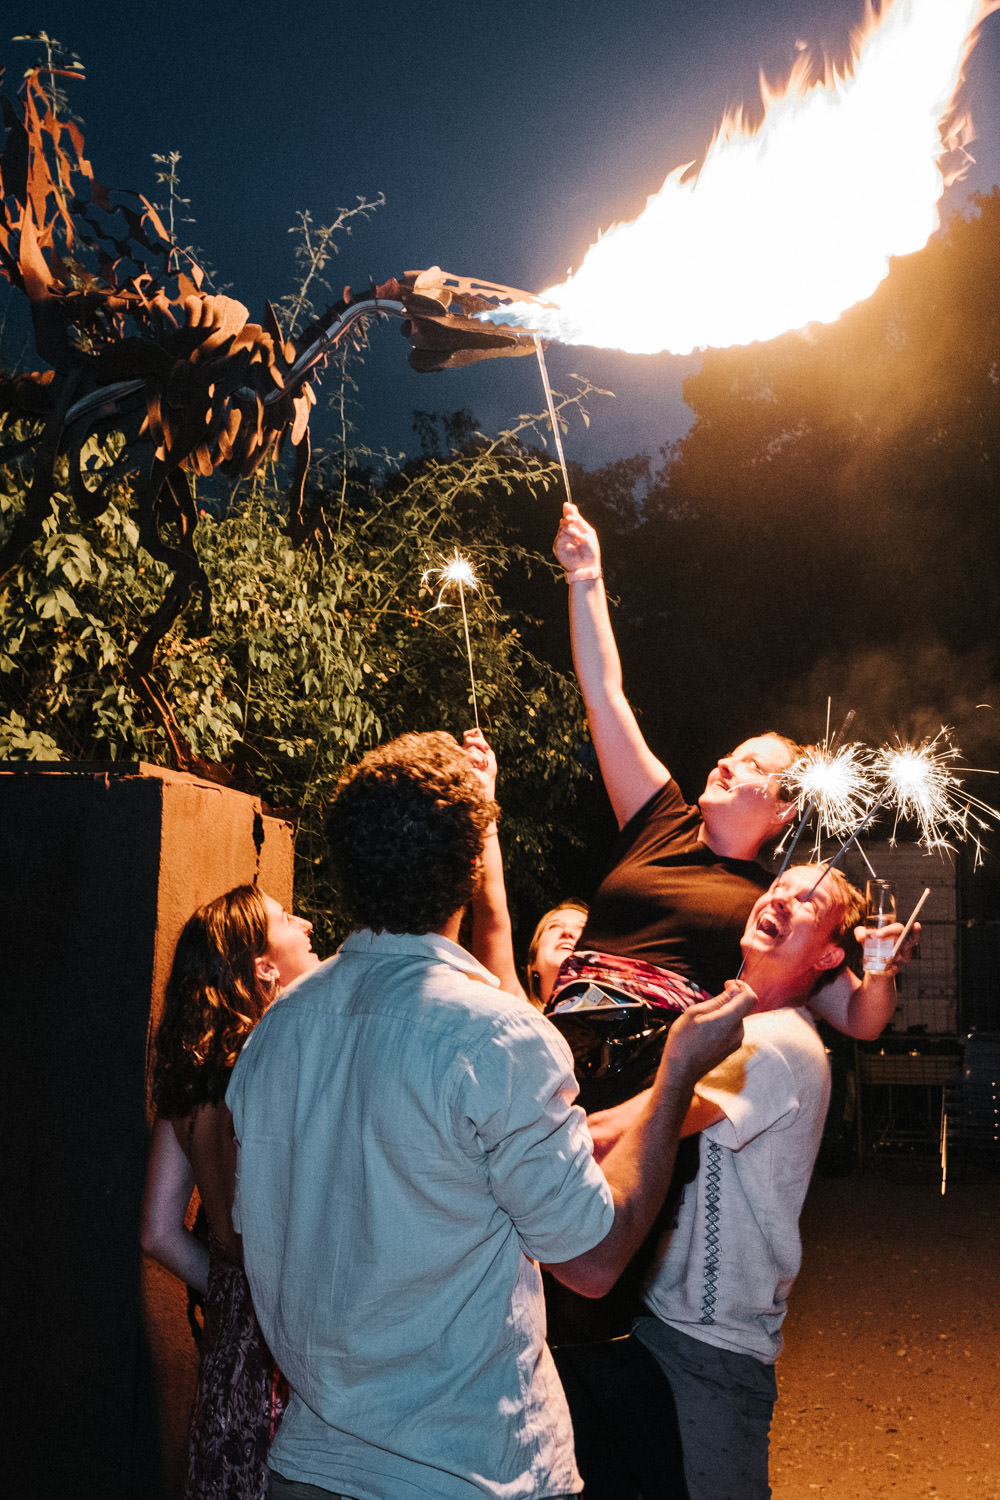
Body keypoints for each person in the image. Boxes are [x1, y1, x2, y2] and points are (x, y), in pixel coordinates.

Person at [226, 730, 757, 1500]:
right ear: (470, 867)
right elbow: (594, 1261)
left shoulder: (279, 1028)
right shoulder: (496, 1036)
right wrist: (675, 1073)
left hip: (309, 1469)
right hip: (465, 1469)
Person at [551, 498, 915, 1037]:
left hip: (646, 1065)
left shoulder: (775, 909)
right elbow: (605, 697)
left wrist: (881, 971)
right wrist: (585, 574)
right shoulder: (658, 820)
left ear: (782, 809)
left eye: (750, 764)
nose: (724, 762)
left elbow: (861, 1021)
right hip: (561, 1037)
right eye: (731, 753)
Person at [626, 861, 865, 1500]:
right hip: (671, 1324)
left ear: (828, 956)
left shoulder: (775, 1041)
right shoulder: (735, 1020)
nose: (783, 900)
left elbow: (653, 1118)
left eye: (808, 904)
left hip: (707, 1343)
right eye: (780, 887)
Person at [142, 885, 320, 1500]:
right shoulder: (283, 1066)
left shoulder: (190, 1078)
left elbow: (157, 1232)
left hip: (228, 1366)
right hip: (292, 1363)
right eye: (284, 918)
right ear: (264, 967)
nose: (304, 921)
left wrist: (228, 1289)